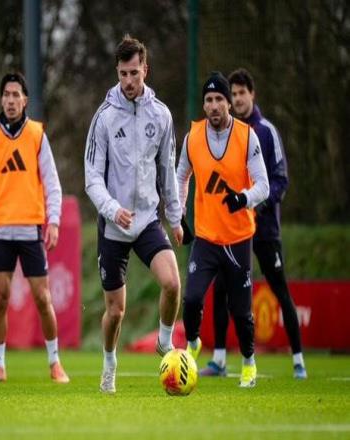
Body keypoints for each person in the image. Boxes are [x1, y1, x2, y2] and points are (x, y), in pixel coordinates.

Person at [84, 35, 184, 394]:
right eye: (123, 73)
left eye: (134, 73)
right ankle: (109, 365)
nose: (129, 80)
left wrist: (175, 217)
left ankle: (164, 342)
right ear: (117, 71)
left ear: (146, 70)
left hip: (146, 220)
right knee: (116, 312)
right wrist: (112, 209)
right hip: (114, 226)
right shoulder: (104, 118)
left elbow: (168, 170)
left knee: (172, 283)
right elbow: (91, 178)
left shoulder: (161, 115)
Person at [200, 68, 307, 380]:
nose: (237, 99)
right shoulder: (225, 133)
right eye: (233, 94)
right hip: (232, 231)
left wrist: (255, 205)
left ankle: (298, 360)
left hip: (264, 230)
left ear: (252, 95)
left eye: (241, 93)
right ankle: (219, 360)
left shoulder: (266, 131)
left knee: (279, 290)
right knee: (221, 289)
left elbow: (280, 180)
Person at [0, 72, 69, 384]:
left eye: (16, 95)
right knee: (0, 299)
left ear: (25, 100)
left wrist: (54, 221)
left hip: (30, 230)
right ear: (1, 100)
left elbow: (52, 182)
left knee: (43, 298)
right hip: (1, 231)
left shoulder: (37, 135)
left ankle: (55, 363)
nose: (10, 100)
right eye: (6, 95)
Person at [176, 71, 269, 388]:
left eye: (219, 99)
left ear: (229, 103)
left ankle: (248, 363)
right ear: (204, 104)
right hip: (206, 238)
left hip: (238, 239)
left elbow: (264, 186)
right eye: (208, 100)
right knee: (191, 299)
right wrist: (178, 215)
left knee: (241, 313)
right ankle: (193, 343)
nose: (214, 105)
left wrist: (243, 198)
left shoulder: (247, 136)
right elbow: (181, 176)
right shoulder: (192, 137)